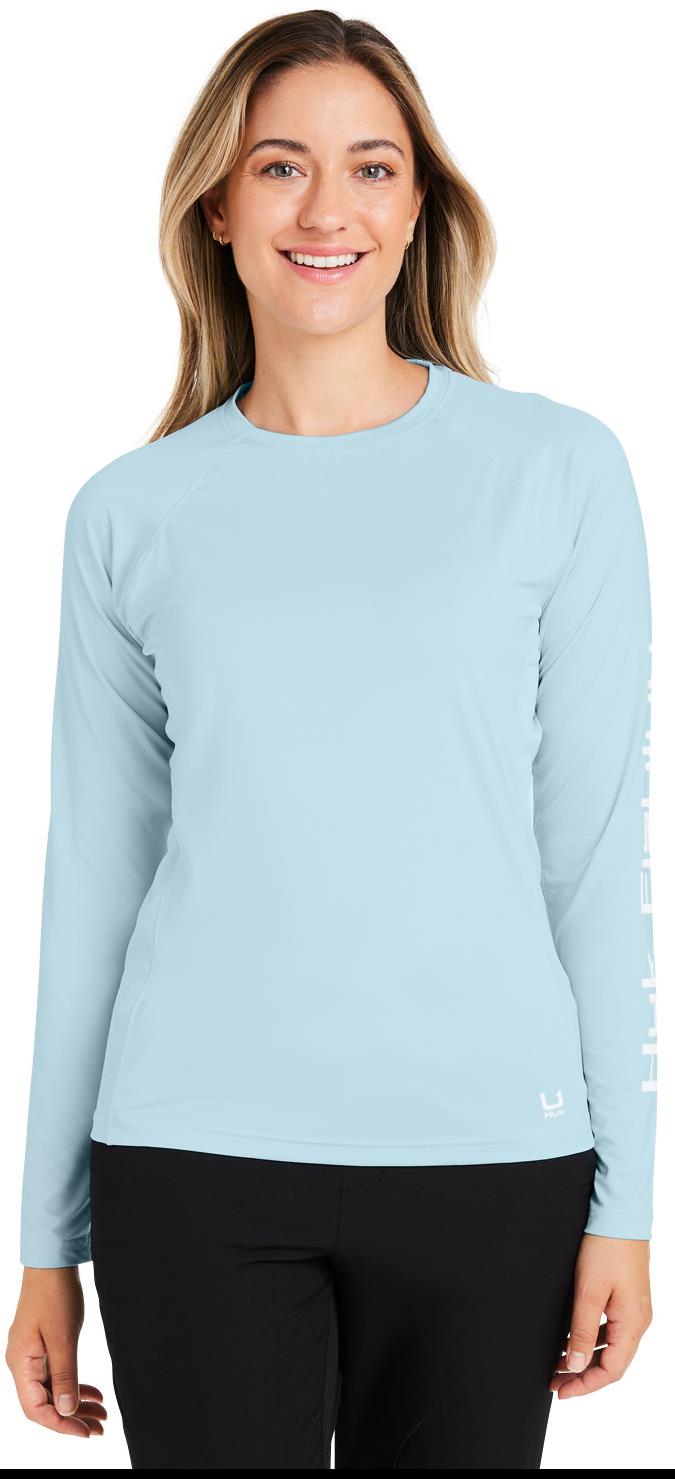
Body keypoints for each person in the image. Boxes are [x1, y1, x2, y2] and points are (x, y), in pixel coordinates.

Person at [6, 10, 657, 1470]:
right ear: (217, 207)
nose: (326, 210)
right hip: (190, 1166)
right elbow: (92, 889)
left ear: (418, 208)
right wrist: (48, 1240)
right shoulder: (130, 514)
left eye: (371, 168)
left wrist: (628, 1202)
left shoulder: (556, 471)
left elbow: (596, 858)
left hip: (491, 1162)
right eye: (280, 166)